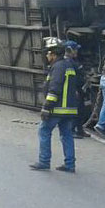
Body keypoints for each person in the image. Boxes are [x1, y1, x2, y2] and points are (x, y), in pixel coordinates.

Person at [29, 37, 79, 173]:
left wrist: (46, 107)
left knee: (44, 131)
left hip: (57, 109)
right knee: (66, 134)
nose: (46, 55)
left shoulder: (57, 67)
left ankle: (44, 161)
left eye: (48, 53)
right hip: (70, 110)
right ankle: (70, 164)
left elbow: (54, 89)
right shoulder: (70, 65)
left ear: (53, 54)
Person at [64, 40, 88, 139]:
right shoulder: (67, 62)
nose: (77, 52)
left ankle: (80, 129)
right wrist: (73, 90)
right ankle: (72, 130)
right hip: (74, 90)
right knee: (74, 111)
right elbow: (69, 78)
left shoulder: (74, 61)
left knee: (81, 110)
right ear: (69, 50)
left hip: (80, 89)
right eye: (75, 50)